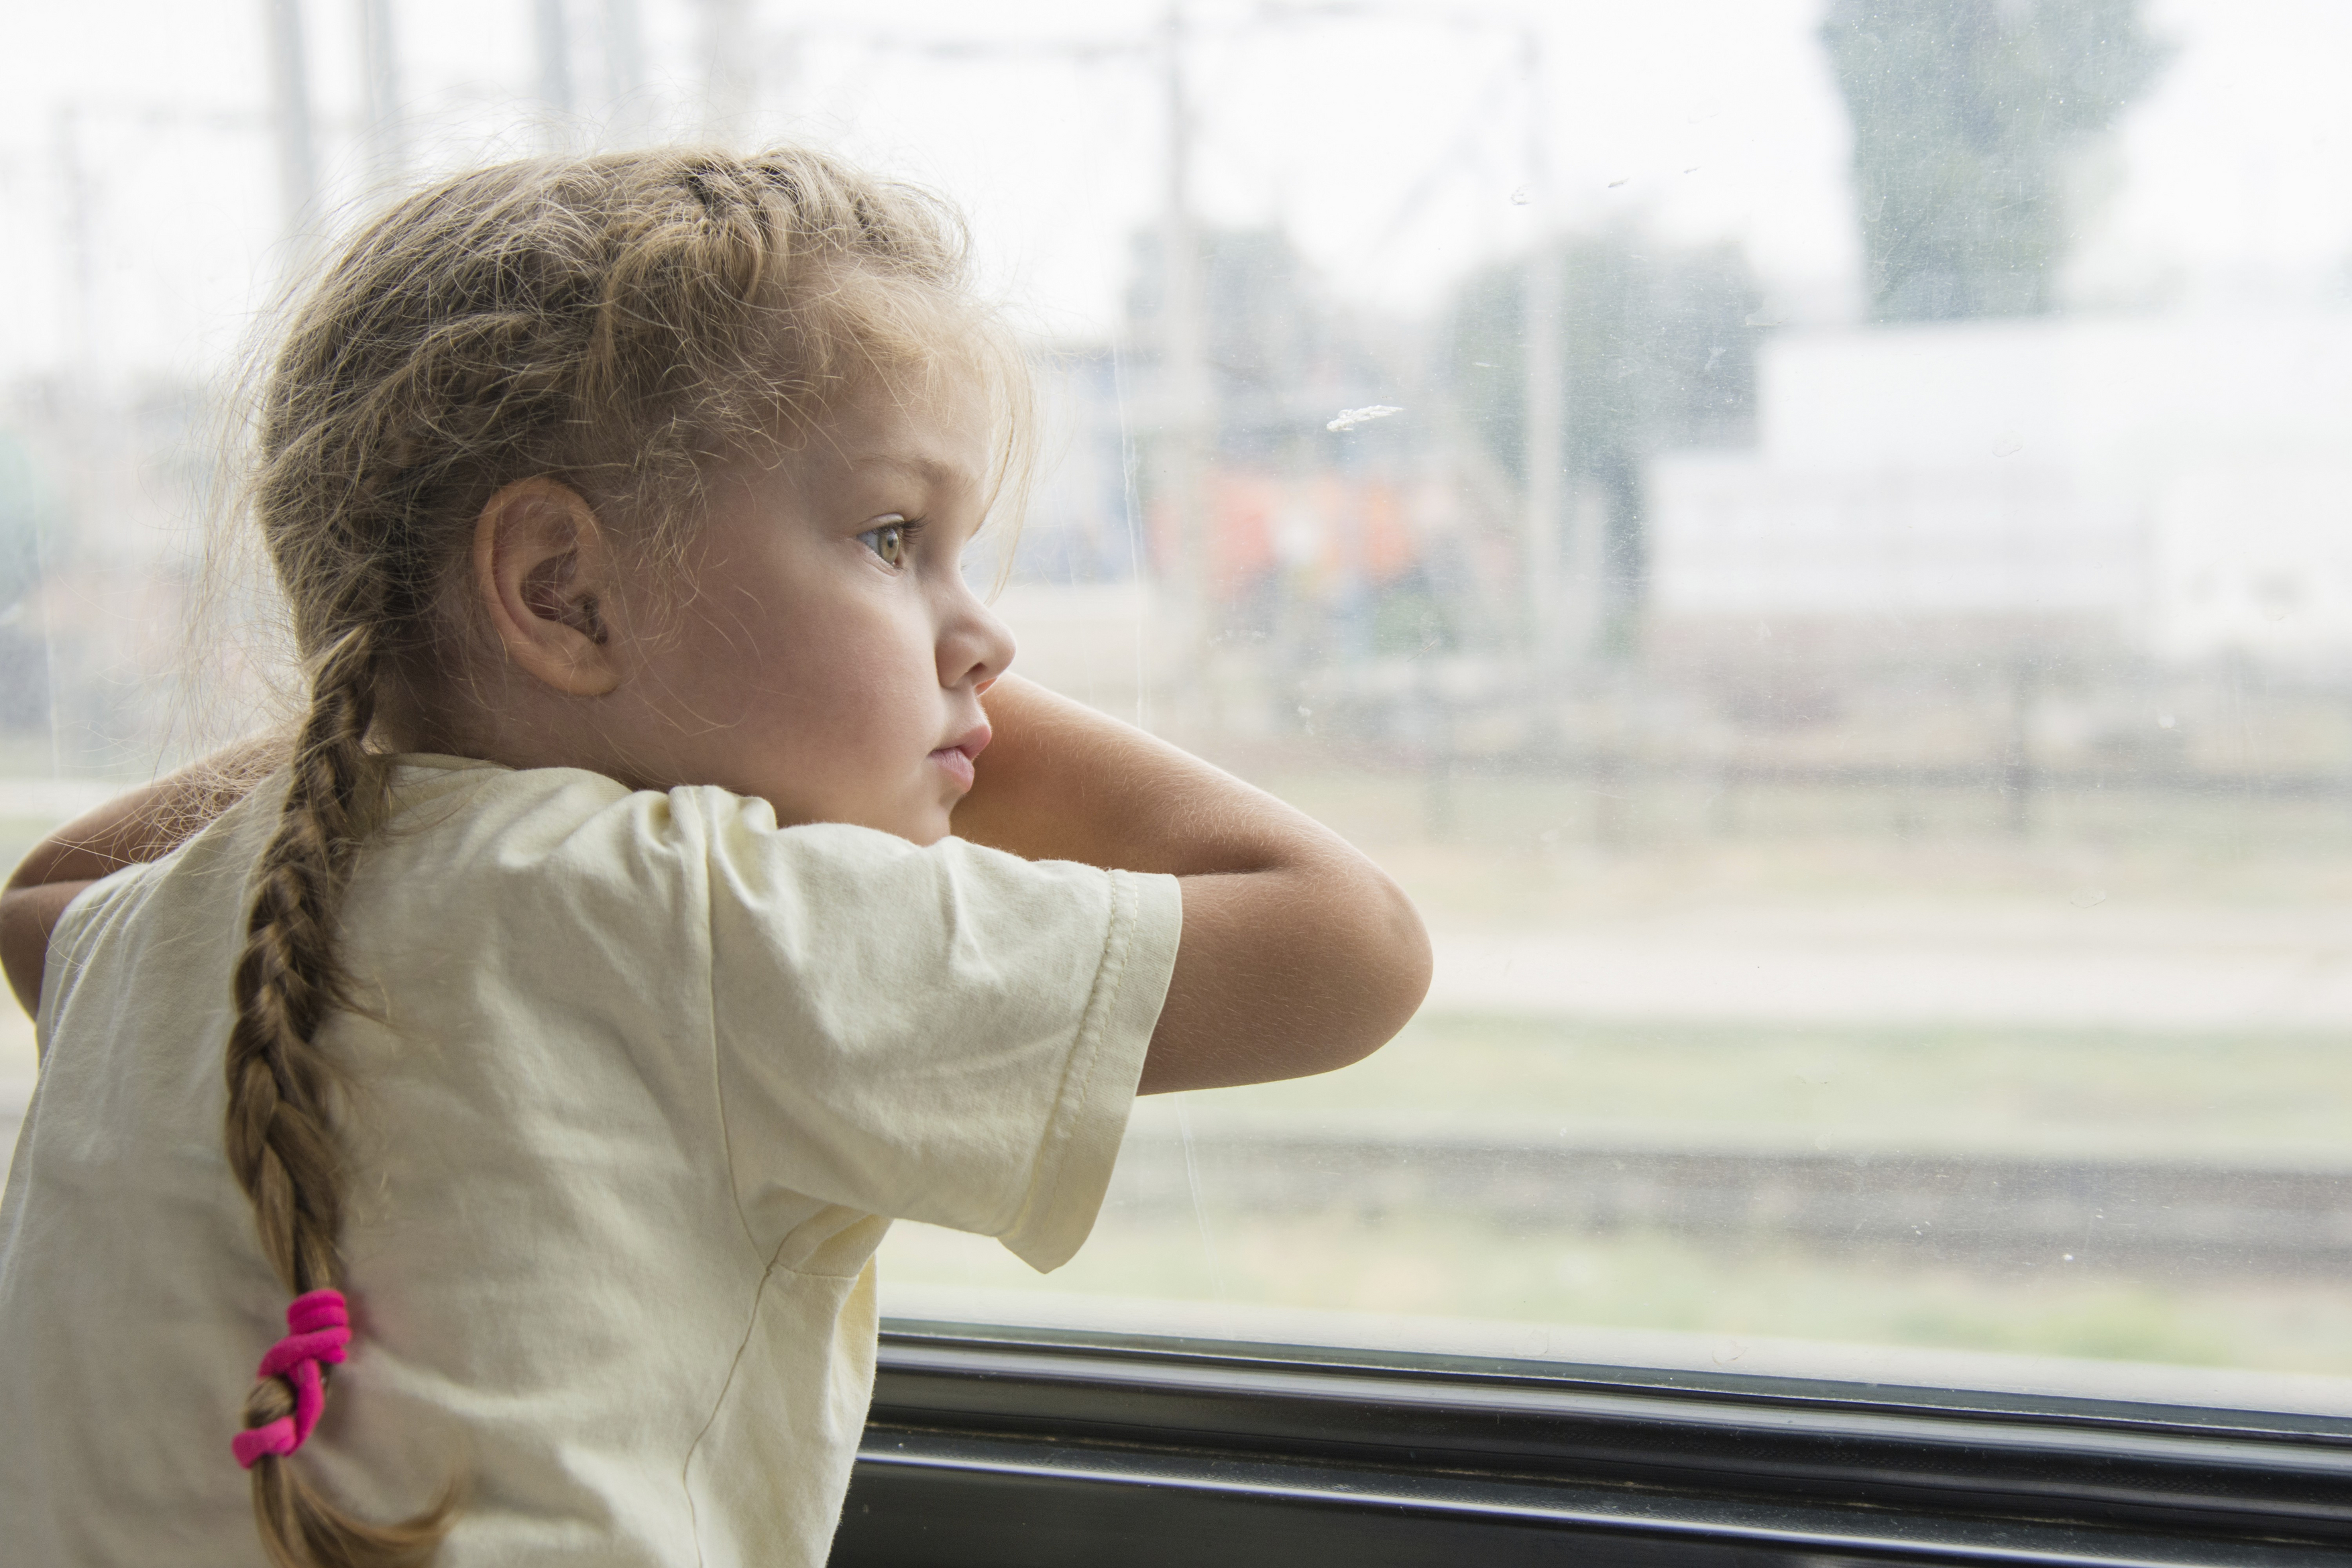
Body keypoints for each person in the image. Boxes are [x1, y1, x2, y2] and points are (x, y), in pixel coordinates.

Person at [0, 148, 1429, 1567]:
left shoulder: (170, 925)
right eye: (891, 537)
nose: (983, 634)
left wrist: (385, 683)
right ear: (560, 589)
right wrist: (952, 720)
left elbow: (45, 894)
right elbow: (1349, 945)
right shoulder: (691, 915)